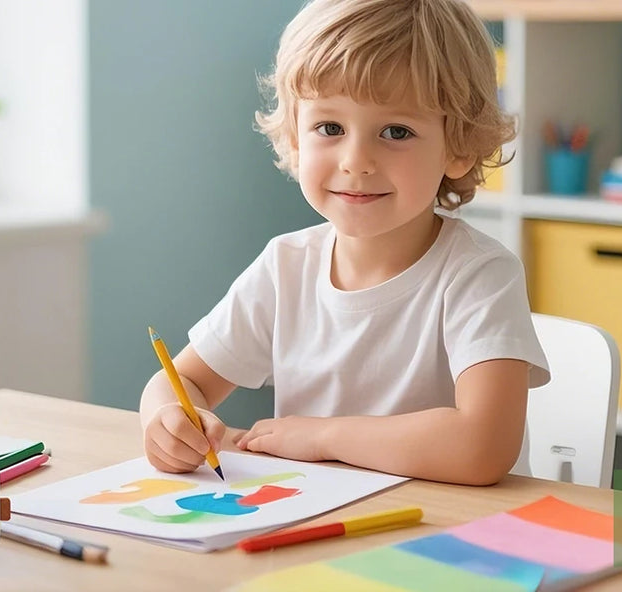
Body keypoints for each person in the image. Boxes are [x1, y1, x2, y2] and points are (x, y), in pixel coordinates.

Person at [139, 0, 549, 486]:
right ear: (295, 137)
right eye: (330, 128)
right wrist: (168, 421)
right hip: (316, 528)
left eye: (396, 131)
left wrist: (323, 438)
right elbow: (178, 381)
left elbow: (482, 447)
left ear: (458, 146)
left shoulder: (479, 274)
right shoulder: (284, 267)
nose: (356, 160)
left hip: (449, 537)